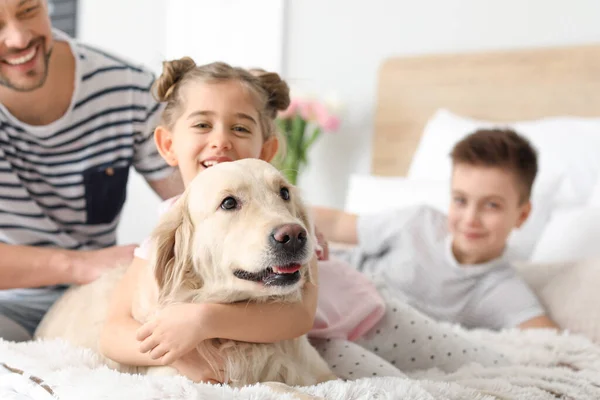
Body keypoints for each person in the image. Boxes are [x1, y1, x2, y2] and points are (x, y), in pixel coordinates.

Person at [99, 58, 389, 383]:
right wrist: (178, 355)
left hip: (344, 314)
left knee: (390, 380)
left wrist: (204, 320)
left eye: (240, 128)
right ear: (168, 145)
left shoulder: (288, 215)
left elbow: (299, 316)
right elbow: (114, 331)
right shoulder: (171, 228)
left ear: (266, 150)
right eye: (202, 125)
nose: (221, 141)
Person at [0, 0, 183, 341]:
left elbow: (199, 199)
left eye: (28, 11)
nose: (19, 39)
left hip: (100, 300)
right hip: (11, 304)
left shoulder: (129, 90)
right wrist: (81, 265)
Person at [315, 128, 559, 331]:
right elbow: (337, 223)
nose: (470, 219)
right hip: (324, 280)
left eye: (492, 205)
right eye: (461, 200)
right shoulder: (418, 223)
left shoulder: (500, 288)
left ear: (522, 215)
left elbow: (555, 344)